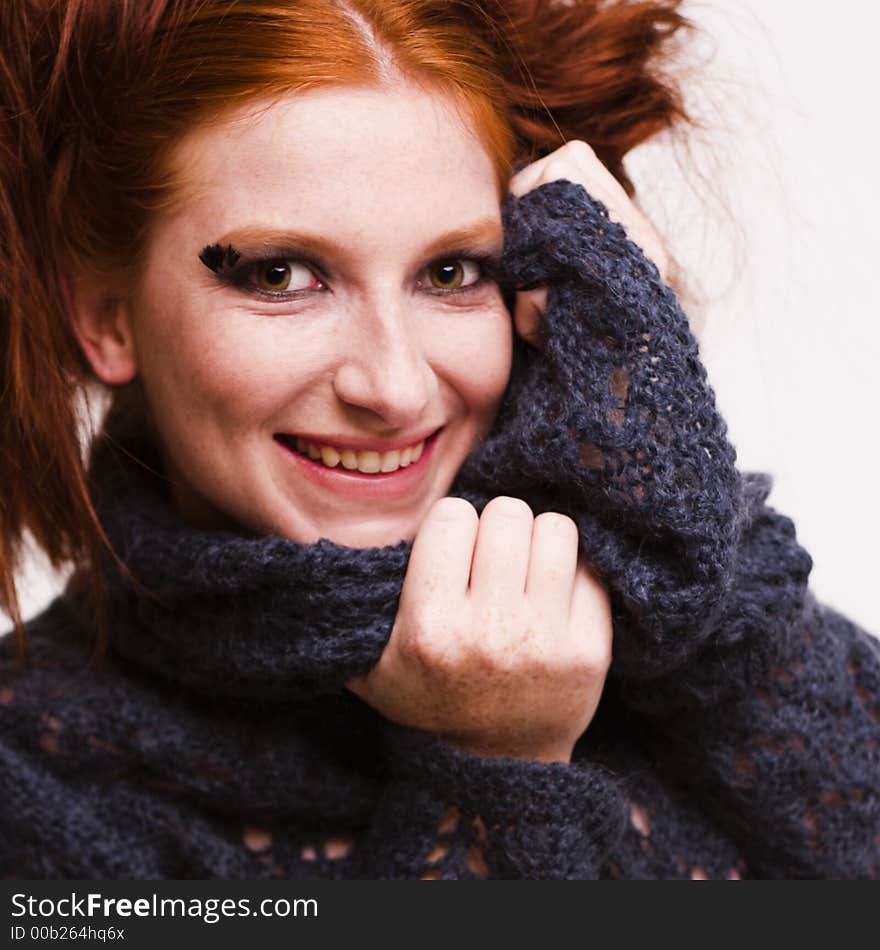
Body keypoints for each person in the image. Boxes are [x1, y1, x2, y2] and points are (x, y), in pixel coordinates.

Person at [1, 0, 878, 880]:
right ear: (103, 313)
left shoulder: (694, 640)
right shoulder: (32, 782)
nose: (395, 387)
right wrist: (495, 770)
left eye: (452, 273)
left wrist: (677, 529)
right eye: (282, 275)